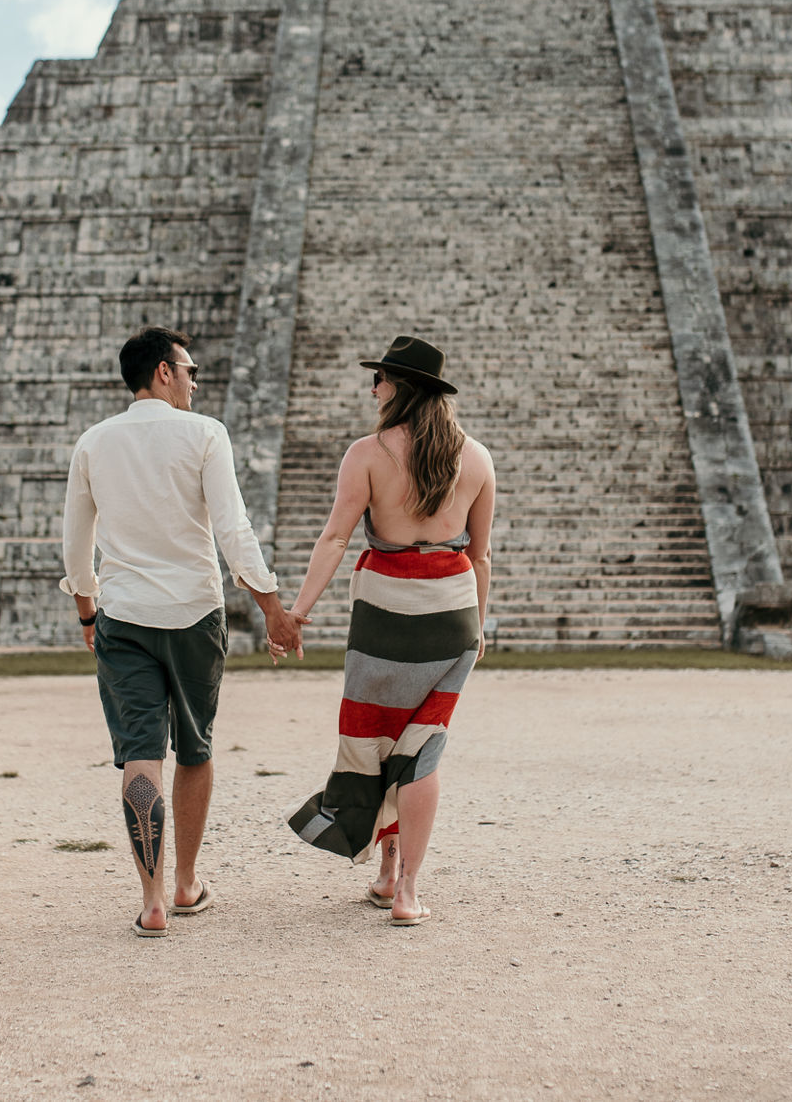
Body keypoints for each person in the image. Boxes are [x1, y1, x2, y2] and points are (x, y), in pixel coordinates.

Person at [60, 326, 303, 938]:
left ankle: (151, 900)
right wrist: (272, 607)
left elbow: (77, 546)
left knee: (140, 752)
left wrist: (88, 613)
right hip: (195, 614)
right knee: (195, 748)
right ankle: (186, 882)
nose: (195, 382)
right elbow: (233, 530)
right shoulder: (204, 434)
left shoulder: (93, 442)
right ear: (164, 371)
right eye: (190, 370)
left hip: (124, 617)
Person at [281, 336, 495, 926]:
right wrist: (478, 624)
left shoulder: (368, 454)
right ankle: (404, 889)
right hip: (451, 611)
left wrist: (298, 611)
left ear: (401, 387)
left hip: (384, 609)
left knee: (378, 739)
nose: (373, 388)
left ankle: (387, 872)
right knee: (421, 748)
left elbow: (335, 538)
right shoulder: (477, 458)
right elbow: (480, 555)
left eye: (378, 379)